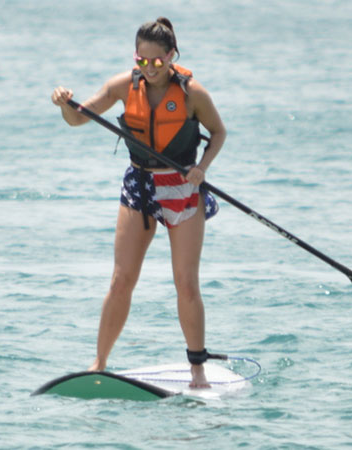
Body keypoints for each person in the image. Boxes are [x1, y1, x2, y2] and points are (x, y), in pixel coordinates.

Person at [51, 17, 226, 388]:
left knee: (186, 283)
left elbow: (219, 133)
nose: (149, 69)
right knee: (121, 279)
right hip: (140, 186)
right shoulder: (121, 85)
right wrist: (66, 104)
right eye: (141, 61)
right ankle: (99, 363)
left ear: (172, 56)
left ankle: (197, 370)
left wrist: (202, 168)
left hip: (181, 187)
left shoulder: (194, 93)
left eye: (157, 62)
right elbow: (78, 119)